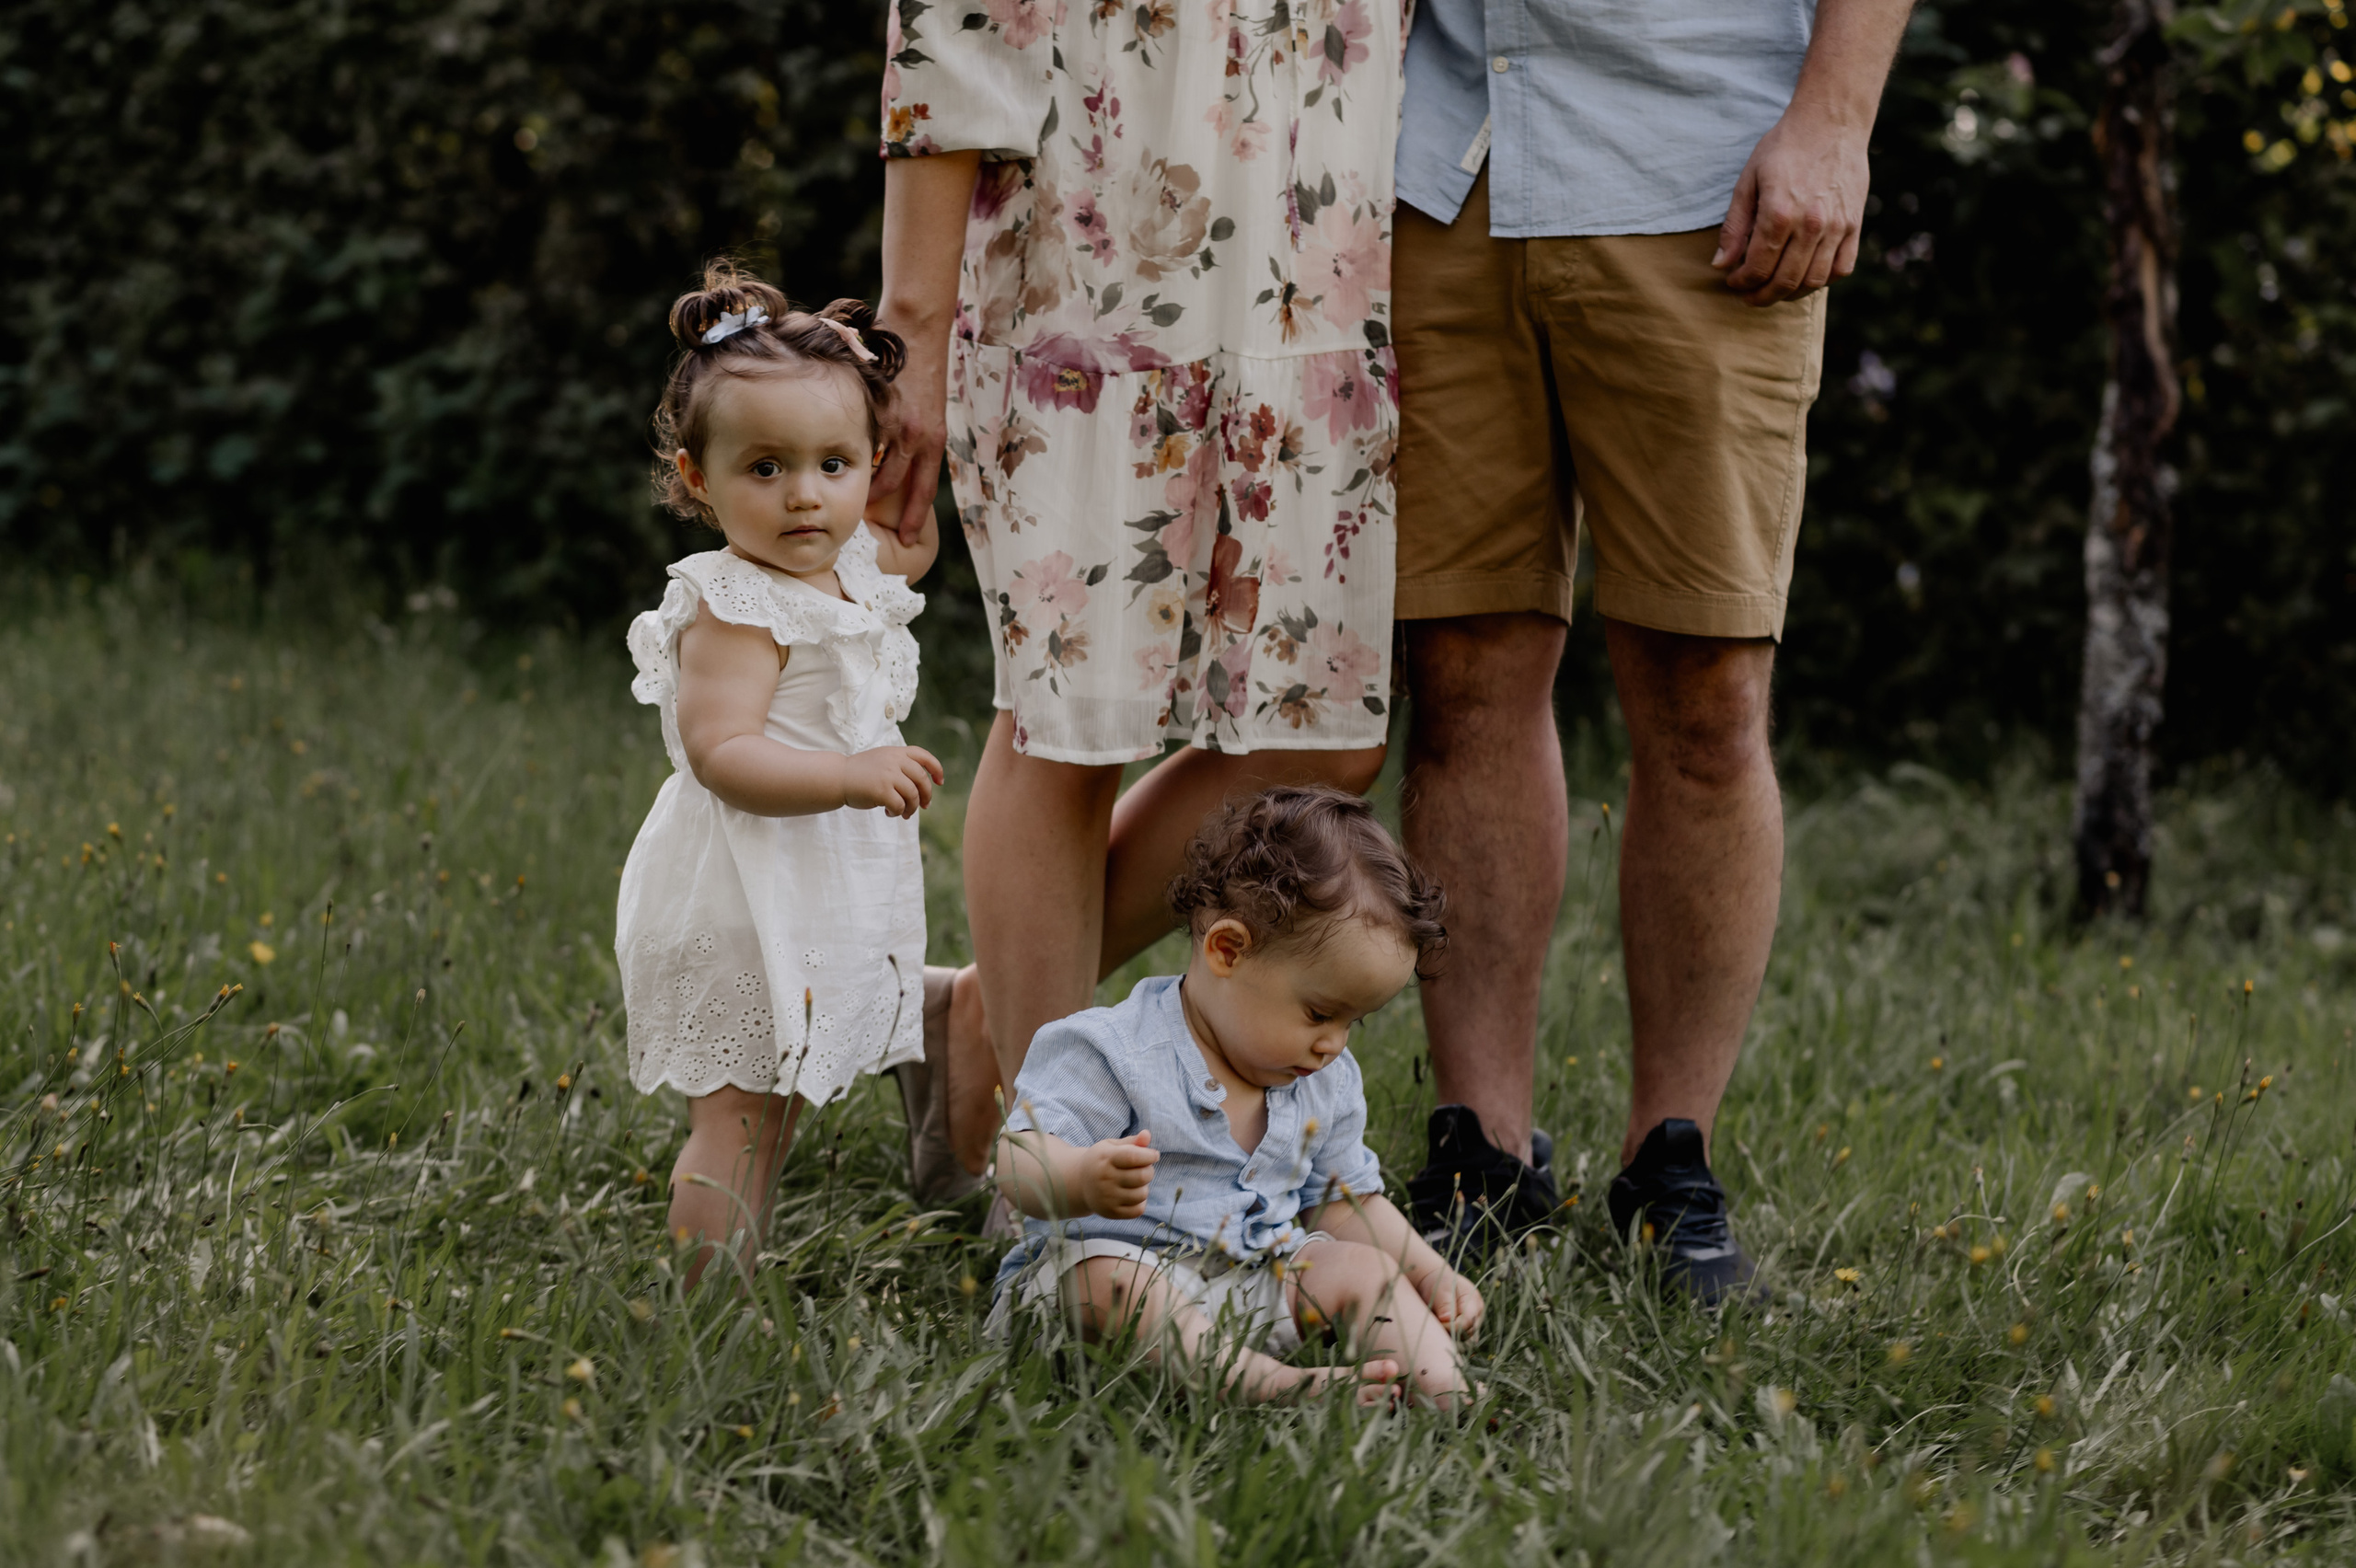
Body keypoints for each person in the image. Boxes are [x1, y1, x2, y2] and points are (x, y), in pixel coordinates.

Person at [1387, 0, 1915, 1296]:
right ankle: (1482, 1151)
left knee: (1706, 694)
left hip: (1703, 170)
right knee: (1457, 676)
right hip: (1439, 162)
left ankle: (1671, 1161)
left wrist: (1835, 119)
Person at [871, 0, 1409, 1204]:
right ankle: (1049, 1179)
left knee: (1326, 732)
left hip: (1309, 274)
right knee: (1073, 720)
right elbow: (956, 23)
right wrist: (909, 313)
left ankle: (975, 1034)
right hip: (1091, 255)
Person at [615, 265, 943, 1286]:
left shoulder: (841, 565)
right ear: (698, 477)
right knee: (739, 1116)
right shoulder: (734, 605)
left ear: (872, 463)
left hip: (809, 891)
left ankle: (733, 1272)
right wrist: (848, 772)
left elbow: (904, 552)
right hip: (744, 897)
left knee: (775, 1106)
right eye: (766, 469)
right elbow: (723, 754)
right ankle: (706, 1305)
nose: (805, 494)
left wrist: (906, 511)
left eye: (834, 464)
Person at [989, 787, 1480, 1406]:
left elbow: (1341, 1201)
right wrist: (1079, 1178)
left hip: (1257, 1287)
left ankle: (1445, 1393)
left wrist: (1426, 1269)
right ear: (1228, 950)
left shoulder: (1322, 1077)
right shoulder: (1111, 1050)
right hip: (1112, 1294)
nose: (1332, 1043)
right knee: (1109, 1283)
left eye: (1353, 1022)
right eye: (1320, 1012)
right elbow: (1015, 1162)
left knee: (1364, 1269)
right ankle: (1273, 1386)